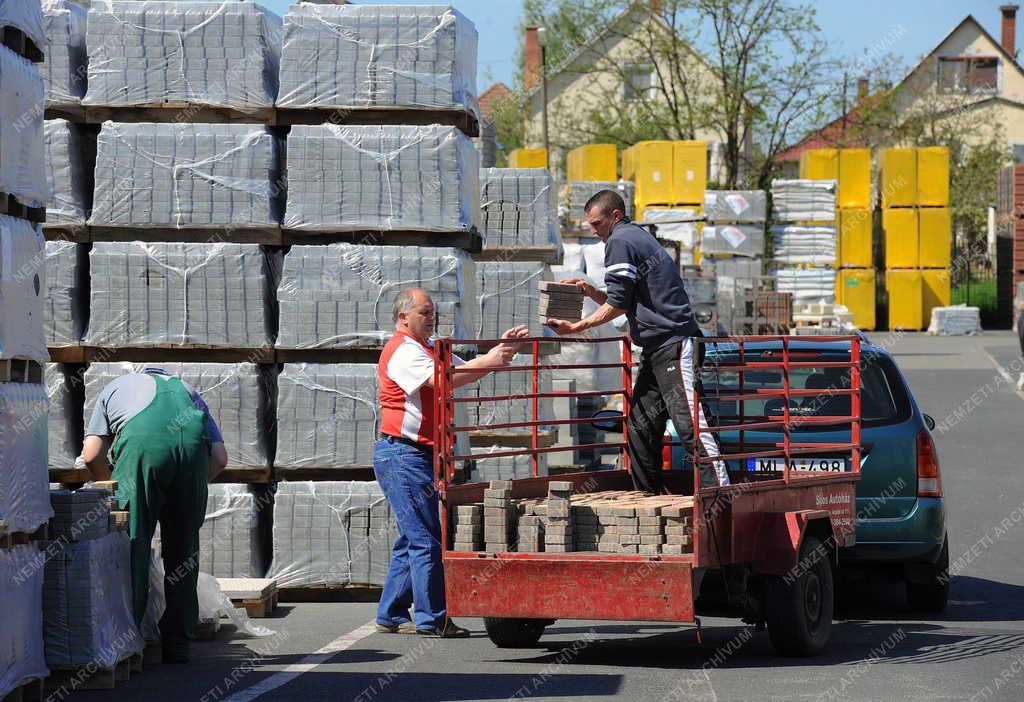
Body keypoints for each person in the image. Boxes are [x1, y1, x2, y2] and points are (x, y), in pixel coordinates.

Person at [546, 189, 730, 493]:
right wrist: (590, 291)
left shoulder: (619, 241)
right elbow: (626, 300)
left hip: (674, 343)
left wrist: (578, 326)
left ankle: (720, 495)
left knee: (690, 423)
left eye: (597, 224)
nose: (593, 231)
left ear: (615, 216)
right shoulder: (633, 237)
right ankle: (648, 496)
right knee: (640, 425)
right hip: (658, 348)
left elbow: (618, 304)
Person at [375, 288, 527, 637]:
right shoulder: (402, 351)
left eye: (433, 312)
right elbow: (441, 380)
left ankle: (391, 612)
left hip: (416, 455)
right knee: (426, 540)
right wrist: (490, 360)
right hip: (404, 454)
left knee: (414, 536)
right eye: (425, 313)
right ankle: (433, 618)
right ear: (403, 318)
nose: (432, 318)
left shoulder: (428, 349)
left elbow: (466, 372)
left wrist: (497, 354)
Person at [81, 368, 228, 663]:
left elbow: (91, 455)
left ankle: (130, 641)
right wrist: (190, 484)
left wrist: (114, 486)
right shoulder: (189, 391)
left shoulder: (115, 387)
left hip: (143, 447)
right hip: (191, 455)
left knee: (134, 544)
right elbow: (221, 459)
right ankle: (178, 642)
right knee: (184, 550)